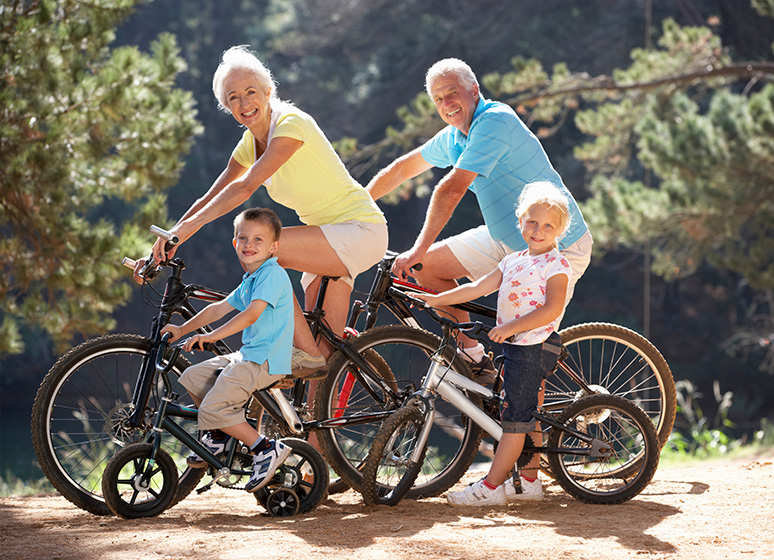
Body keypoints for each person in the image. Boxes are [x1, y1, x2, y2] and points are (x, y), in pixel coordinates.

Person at [136, 45, 388, 377]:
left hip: (359, 231)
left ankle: (293, 353)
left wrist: (185, 233)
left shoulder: (291, 123)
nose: (244, 103)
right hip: (324, 243)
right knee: (320, 372)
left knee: (265, 253)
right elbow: (209, 197)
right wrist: (166, 240)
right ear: (226, 106)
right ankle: (313, 426)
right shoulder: (249, 144)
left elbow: (244, 188)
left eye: (251, 92)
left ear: (269, 91)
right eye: (233, 98)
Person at [366, 58, 591, 381]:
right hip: (505, 238)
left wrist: (415, 248)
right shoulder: (455, 137)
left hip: (554, 247)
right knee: (425, 267)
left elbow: (451, 190)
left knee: (525, 354)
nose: (447, 104)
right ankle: (475, 360)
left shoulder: (494, 121)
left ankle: (528, 427)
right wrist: (355, 206)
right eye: (438, 99)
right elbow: (401, 169)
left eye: (452, 93)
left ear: (474, 91)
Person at [415, 182, 573, 506]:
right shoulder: (512, 261)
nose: (538, 230)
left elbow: (552, 309)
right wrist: (436, 299)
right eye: (532, 222)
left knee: (514, 421)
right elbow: (475, 289)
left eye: (548, 226)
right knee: (526, 414)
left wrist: (511, 327)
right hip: (517, 346)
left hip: (534, 346)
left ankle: (491, 488)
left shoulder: (556, 265)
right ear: (520, 221)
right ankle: (529, 482)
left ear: (559, 231)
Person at [160, 207, 293, 493]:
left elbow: (251, 315)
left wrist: (211, 338)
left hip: (266, 360)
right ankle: (219, 434)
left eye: (258, 240)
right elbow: (219, 308)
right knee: (194, 377)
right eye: (243, 238)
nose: (249, 245)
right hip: (248, 356)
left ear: (274, 247)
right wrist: (183, 330)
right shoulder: (251, 278)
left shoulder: (272, 274)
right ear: (234, 243)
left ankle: (265, 447)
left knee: (213, 405)